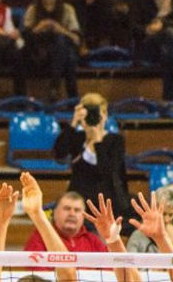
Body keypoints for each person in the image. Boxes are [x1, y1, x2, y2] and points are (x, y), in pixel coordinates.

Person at [53, 92, 131, 230]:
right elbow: (59, 154)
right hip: (79, 200)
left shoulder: (116, 141)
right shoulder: (78, 138)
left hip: (107, 201)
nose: (92, 118)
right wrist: (73, 123)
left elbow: (108, 171)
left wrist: (97, 141)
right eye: (88, 114)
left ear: (105, 116)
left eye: (96, 114)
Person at [23, 0, 81, 101]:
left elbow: (76, 39)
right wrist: (38, 28)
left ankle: (55, 87)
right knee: (69, 58)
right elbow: (24, 38)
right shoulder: (33, 9)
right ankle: (71, 97)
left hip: (61, 51)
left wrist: (60, 29)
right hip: (39, 52)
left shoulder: (67, 9)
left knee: (63, 45)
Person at [24, 190, 107, 260]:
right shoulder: (39, 239)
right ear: (54, 212)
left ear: (84, 216)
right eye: (67, 209)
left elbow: (108, 271)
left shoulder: (93, 241)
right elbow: (38, 272)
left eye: (77, 210)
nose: (72, 214)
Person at [127, 185, 173, 253]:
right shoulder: (137, 236)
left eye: (171, 215)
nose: (166, 219)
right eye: (163, 214)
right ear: (154, 208)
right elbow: (129, 259)